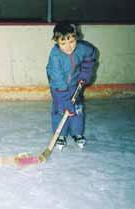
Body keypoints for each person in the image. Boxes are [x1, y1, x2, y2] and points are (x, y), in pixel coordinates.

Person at [46, 21, 96, 150]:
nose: (68, 47)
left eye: (72, 42)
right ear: (57, 41)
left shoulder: (83, 48)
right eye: (63, 43)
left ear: (76, 37)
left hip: (75, 83)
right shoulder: (55, 56)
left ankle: (77, 133)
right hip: (58, 86)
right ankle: (61, 135)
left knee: (77, 109)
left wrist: (85, 74)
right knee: (61, 109)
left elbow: (90, 56)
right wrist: (65, 101)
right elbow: (57, 79)